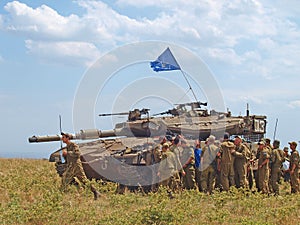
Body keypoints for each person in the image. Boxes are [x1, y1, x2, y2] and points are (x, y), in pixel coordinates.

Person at [61, 132, 101, 200]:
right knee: (64, 180)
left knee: (84, 181)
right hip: (71, 166)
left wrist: (68, 153)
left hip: (76, 166)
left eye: (63, 137)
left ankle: (95, 192)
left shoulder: (73, 145)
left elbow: (77, 154)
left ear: (67, 138)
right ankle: (61, 196)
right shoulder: (67, 146)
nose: (62, 139)